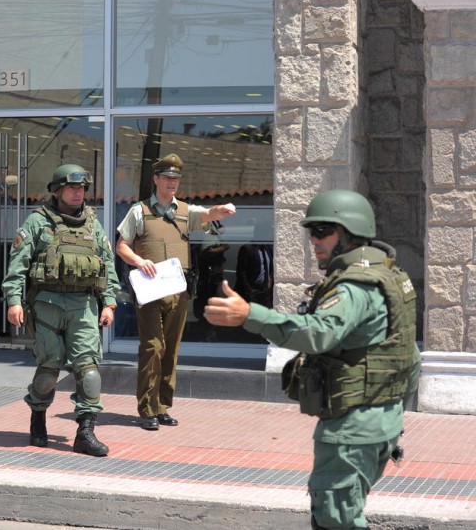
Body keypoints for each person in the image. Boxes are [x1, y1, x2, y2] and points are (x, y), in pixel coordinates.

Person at [204, 189, 421, 530]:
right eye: (311, 232)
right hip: (379, 421)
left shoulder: (354, 287)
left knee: (336, 520)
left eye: (322, 231)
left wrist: (251, 315)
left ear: (349, 233)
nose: (313, 240)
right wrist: (388, 412)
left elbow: (319, 333)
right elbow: (411, 358)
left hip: (352, 429)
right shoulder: (387, 275)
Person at [2, 164, 120, 457]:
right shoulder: (37, 223)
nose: (78, 193)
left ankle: (85, 432)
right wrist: (14, 300)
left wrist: (110, 302)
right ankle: (38, 415)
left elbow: (107, 265)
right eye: (71, 188)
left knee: (89, 370)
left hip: (84, 307)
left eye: (81, 188)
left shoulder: (94, 224)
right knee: (48, 372)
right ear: (57, 191)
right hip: (47, 306)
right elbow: (18, 266)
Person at [115, 153, 236, 431]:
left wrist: (223, 209)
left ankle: (162, 407)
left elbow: (208, 214)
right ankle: (146, 409)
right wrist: (139, 261)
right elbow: (122, 245)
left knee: (171, 348)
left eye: (176, 179)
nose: (172, 182)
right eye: (167, 178)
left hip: (177, 290)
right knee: (152, 346)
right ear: (156, 179)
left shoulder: (184, 211)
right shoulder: (139, 210)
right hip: (150, 289)